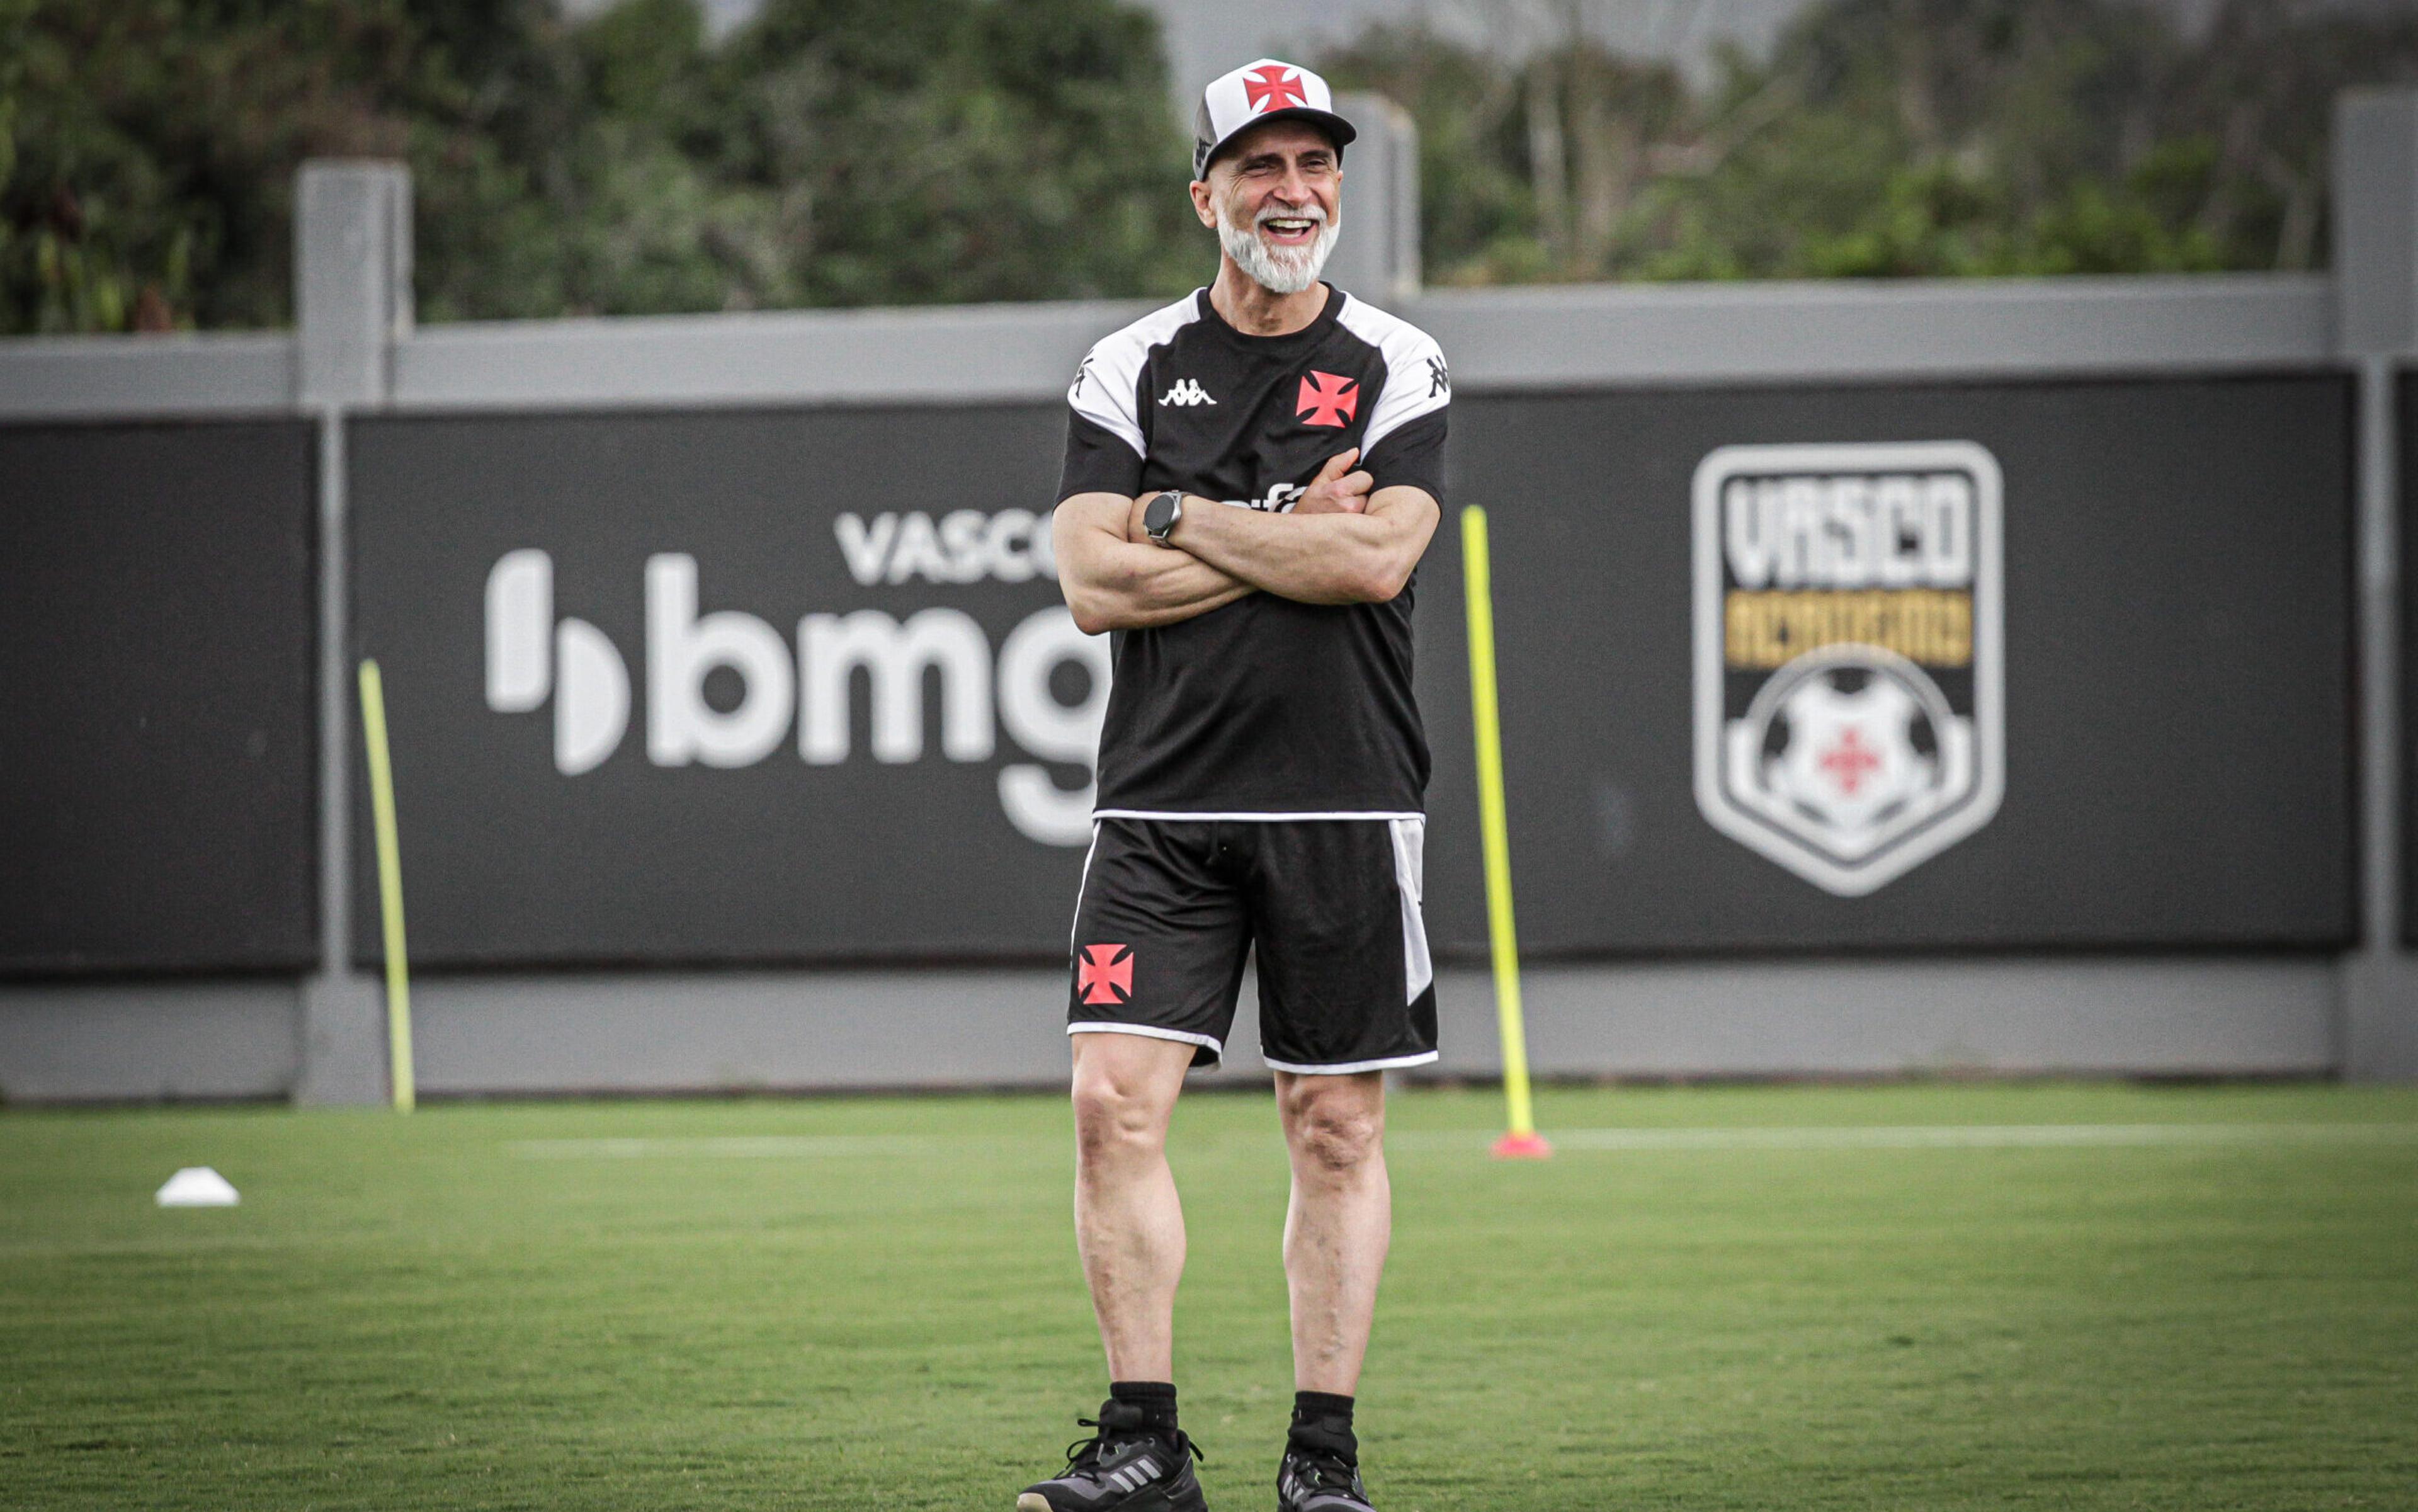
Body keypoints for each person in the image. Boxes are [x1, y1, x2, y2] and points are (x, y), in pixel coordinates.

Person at [1018, 57, 1451, 1512]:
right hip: (1161, 805)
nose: (1292, 191)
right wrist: (1277, 527)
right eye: (1259, 166)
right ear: (1204, 192)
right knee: (1108, 1105)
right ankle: (1143, 1445)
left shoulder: (1399, 359)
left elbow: (1377, 559)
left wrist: (1178, 517)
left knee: (1333, 1124)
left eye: (1314, 165)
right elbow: (1088, 579)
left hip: (1343, 795)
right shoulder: (1128, 363)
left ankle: (1320, 1460)